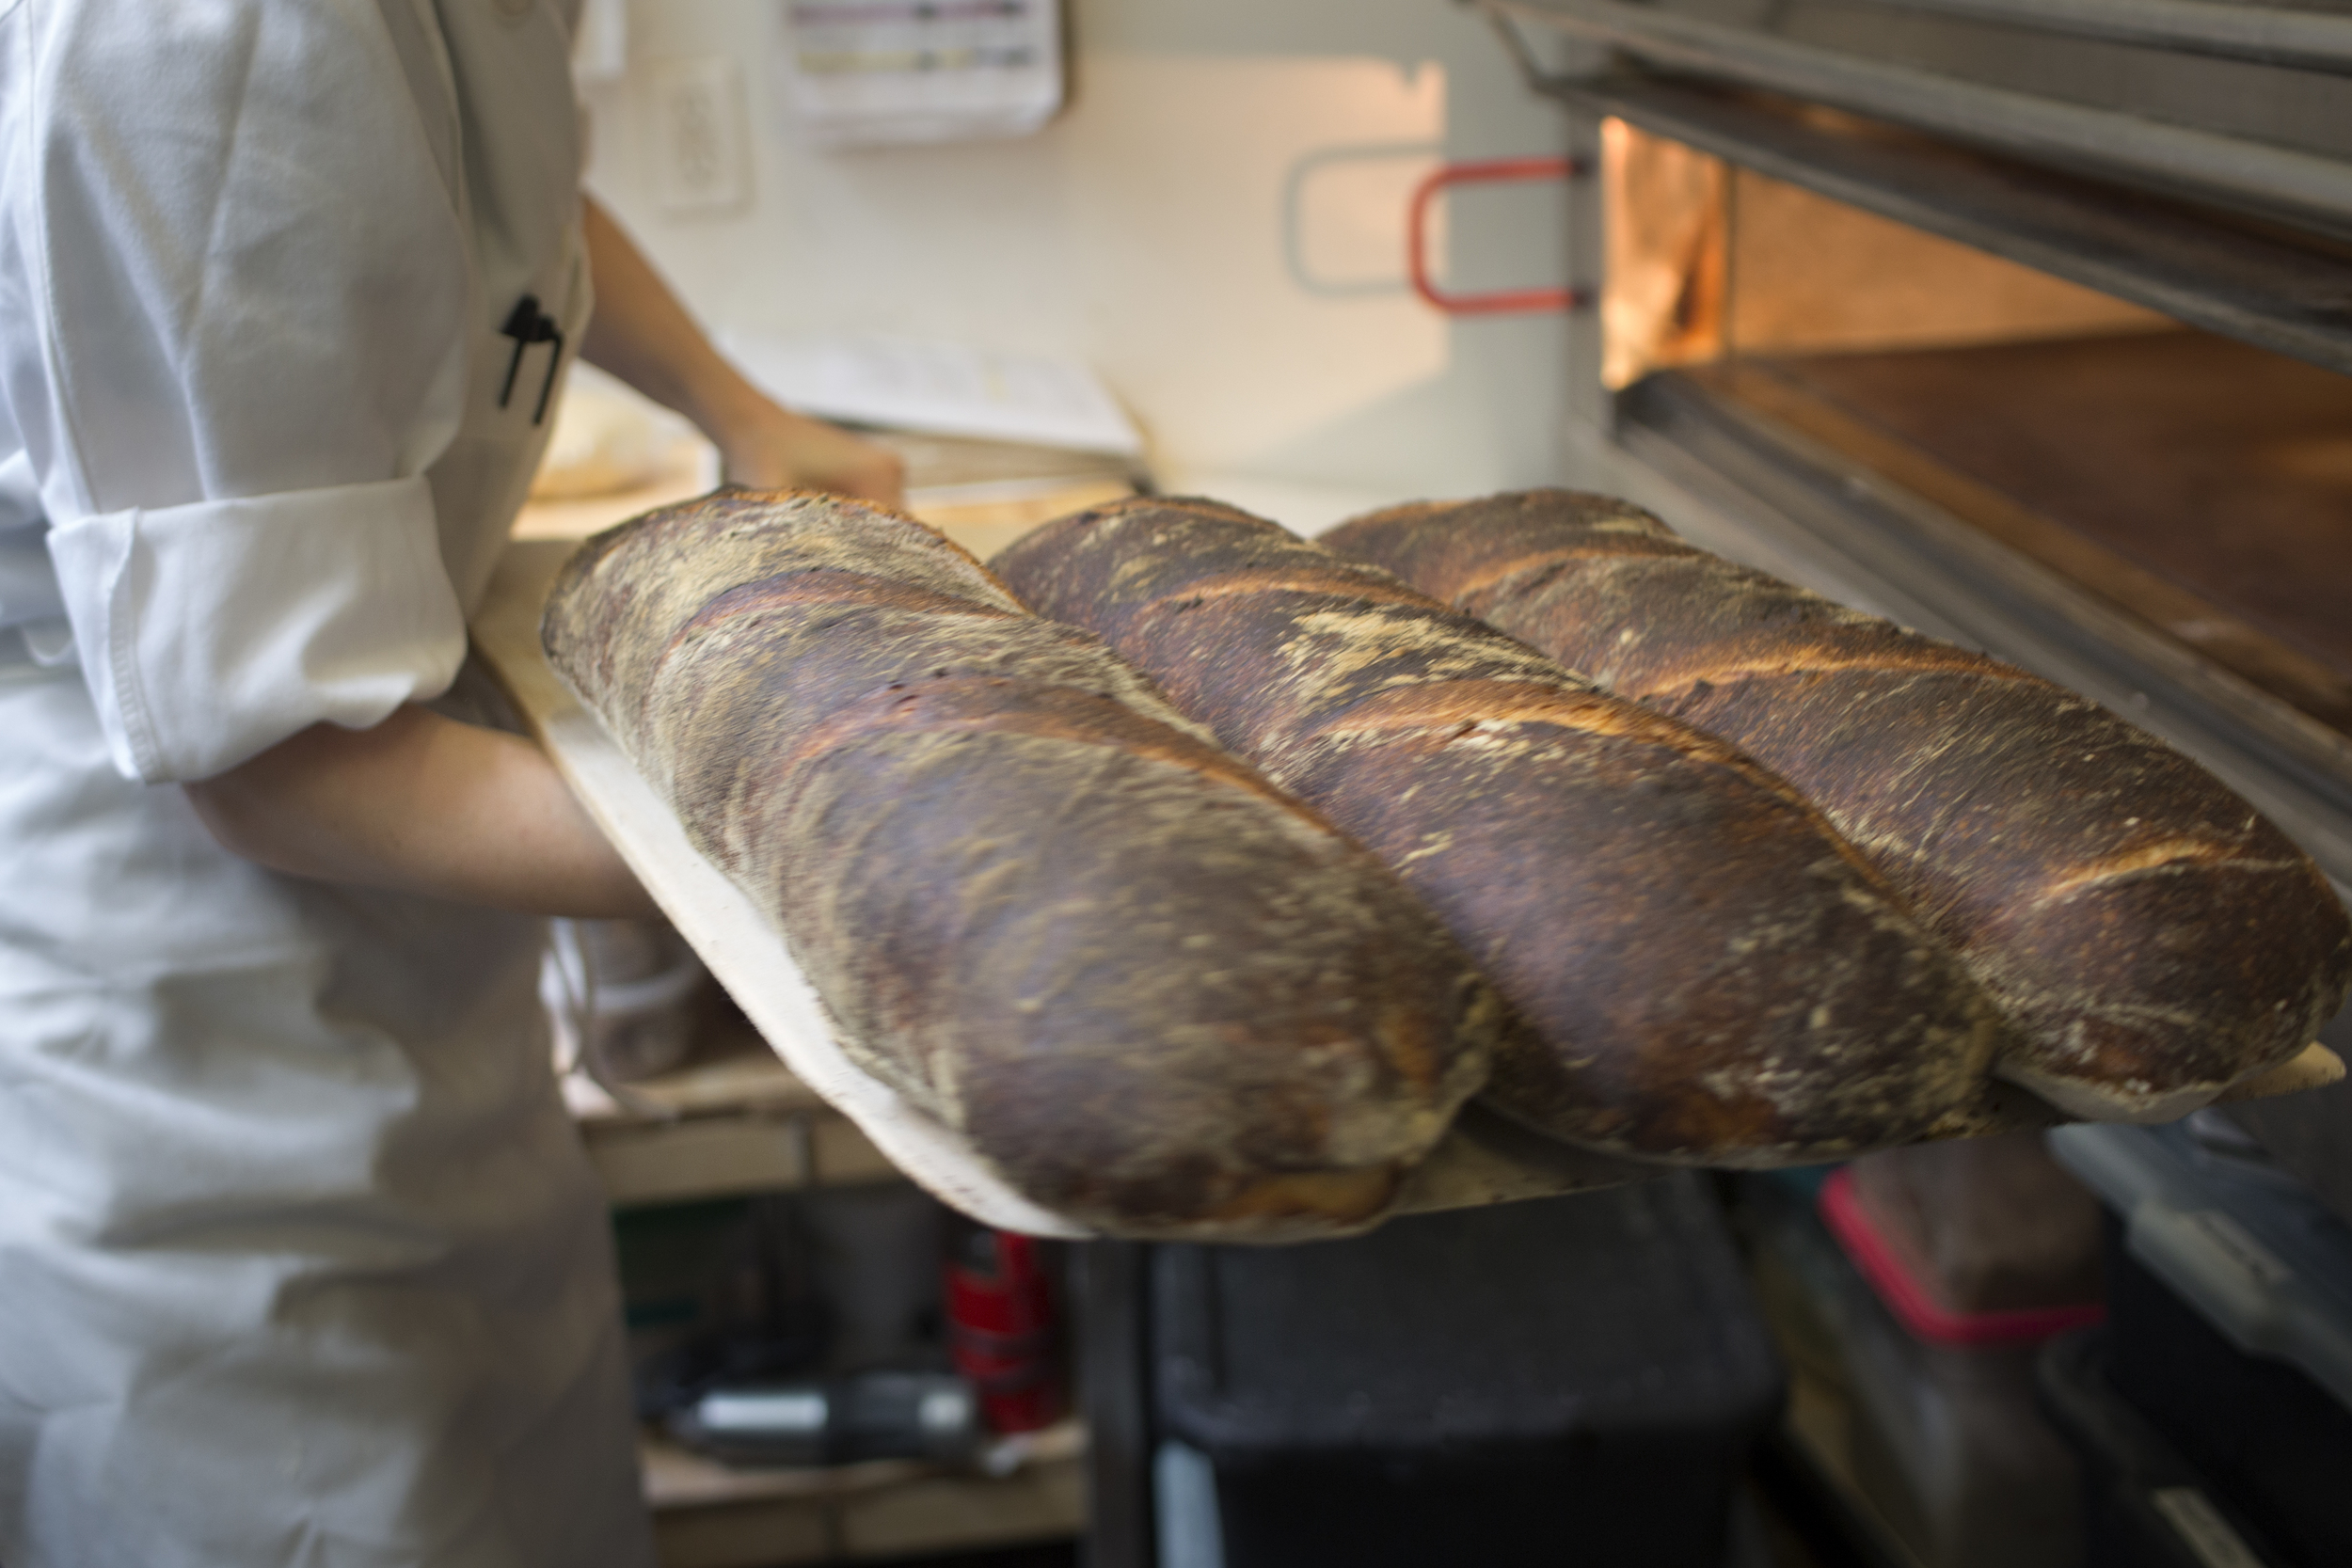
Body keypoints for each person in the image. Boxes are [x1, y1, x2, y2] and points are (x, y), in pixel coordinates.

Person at [0, 2, 901, 1560]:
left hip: (422, 991)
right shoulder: (213, 30)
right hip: (193, 1060)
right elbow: (281, 771)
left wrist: (738, 408)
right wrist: (832, 843)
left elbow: (487, 217)